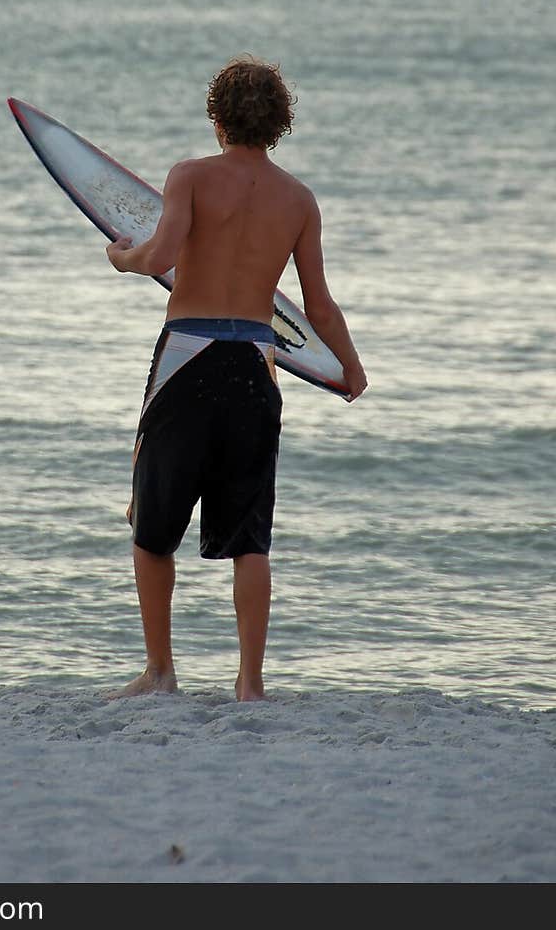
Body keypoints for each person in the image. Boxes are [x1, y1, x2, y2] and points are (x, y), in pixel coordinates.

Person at [106, 56, 367, 701]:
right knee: (250, 536)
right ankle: (250, 684)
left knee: (153, 523)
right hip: (257, 362)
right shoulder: (299, 200)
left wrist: (122, 257)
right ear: (279, 121)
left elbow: (161, 255)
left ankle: (161, 672)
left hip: (188, 354)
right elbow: (318, 304)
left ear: (216, 115)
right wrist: (351, 369)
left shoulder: (191, 177)